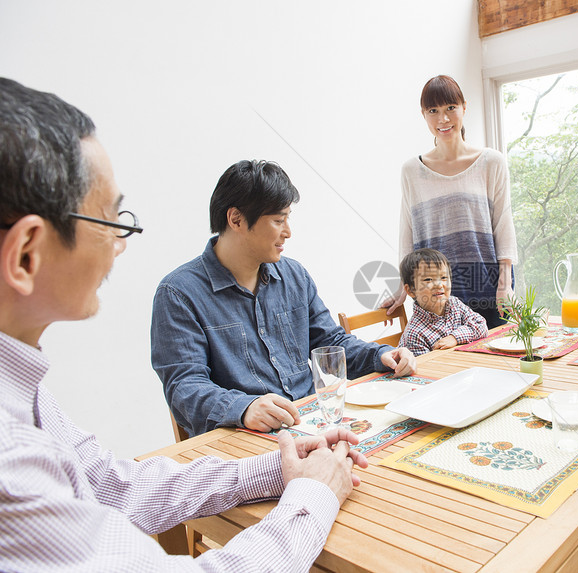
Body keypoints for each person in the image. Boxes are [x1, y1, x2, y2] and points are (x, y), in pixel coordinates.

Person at [0, 77, 369, 570]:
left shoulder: (29, 395)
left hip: (285, 440)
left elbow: (114, 484)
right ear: (26, 253)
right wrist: (313, 494)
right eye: (112, 221)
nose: (121, 242)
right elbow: (186, 388)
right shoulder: (12, 461)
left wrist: (279, 469)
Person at [151, 160, 417, 437]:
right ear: (236, 220)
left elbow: (329, 342)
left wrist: (381, 355)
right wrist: (244, 408)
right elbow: (185, 387)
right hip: (246, 439)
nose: (288, 232)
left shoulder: (293, 275)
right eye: (279, 220)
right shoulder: (179, 293)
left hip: (310, 423)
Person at [383, 75, 518, 329]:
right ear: (423, 114)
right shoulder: (412, 170)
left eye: (450, 108)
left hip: (487, 288)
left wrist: (505, 285)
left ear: (464, 108)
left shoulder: (492, 162)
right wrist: (402, 287)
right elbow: (407, 233)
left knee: (498, 365)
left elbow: (504, 226)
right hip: (433, 293)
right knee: (441, 367)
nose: (443, 119)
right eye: (433, 111)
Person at [398, 248, 488, 355]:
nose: (439, 285)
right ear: (410, 290)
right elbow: (425, 368)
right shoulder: (414, 334)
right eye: (428, 279)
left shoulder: (454, 303)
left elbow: (481, 325)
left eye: (444, 277)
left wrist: (454, 338)